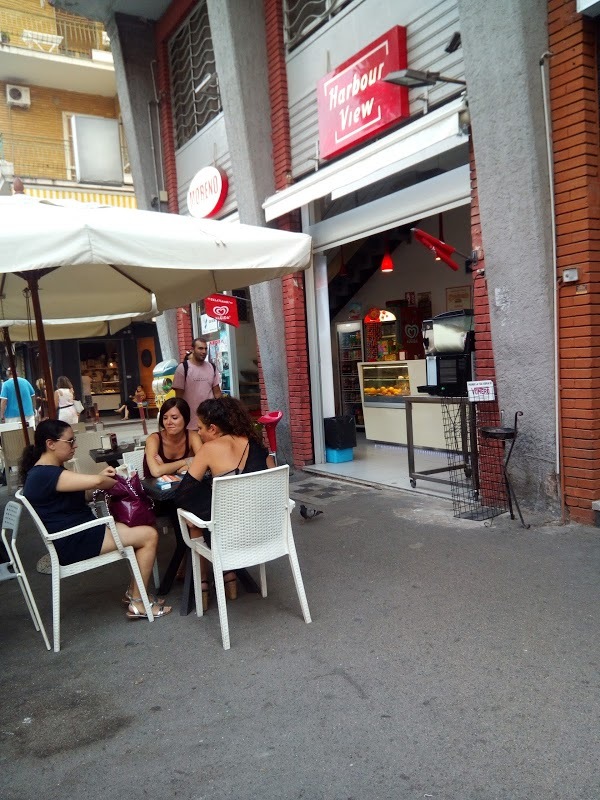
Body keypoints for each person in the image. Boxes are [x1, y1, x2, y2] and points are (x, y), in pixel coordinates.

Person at [20, 419, 171, 620]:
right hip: (75, 540)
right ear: (51, 444)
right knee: (149, 535)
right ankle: (138, 602)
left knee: (140, 526)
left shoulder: (46, 472)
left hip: (81, 533)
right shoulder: (45, 474)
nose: (74, 446)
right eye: (70, 441)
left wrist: (100, 481)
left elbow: (82, 494)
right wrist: (115, 479)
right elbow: (98, 482)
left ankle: (135, 593)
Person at [176, 396, 274, 608]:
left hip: (229, 540)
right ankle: (228, 577)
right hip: (266, 533)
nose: (198, 432)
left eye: (201, 427)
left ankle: (203, 582)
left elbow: (184, 493)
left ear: (213, 429)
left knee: (191, 519)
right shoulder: (256, 443)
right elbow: (273, 484)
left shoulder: (209, 450)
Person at [143, 397, 202, 479]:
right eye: (165, 418)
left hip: (182, 488)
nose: (168, 422)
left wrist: (165, 468)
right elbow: (156, 471)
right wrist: (186, 461)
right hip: (154, 489)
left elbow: (203, 463)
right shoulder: (153, 439)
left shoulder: (192, 436)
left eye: (174, 418)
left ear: (185, 418)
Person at [172, 338, 222, 431]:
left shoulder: (212, 367)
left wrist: (222, 410)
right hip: (190, 422)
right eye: (200, 348)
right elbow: (178, 398)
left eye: (205, 349)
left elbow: (217, 393)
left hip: (209, 421)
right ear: (192, 350)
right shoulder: (183, 368)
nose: (204, 351)